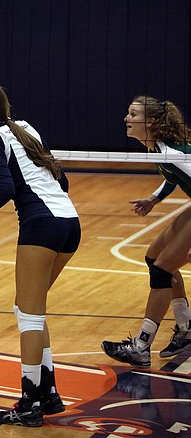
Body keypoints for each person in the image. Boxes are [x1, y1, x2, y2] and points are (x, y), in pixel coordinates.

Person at [0, 79, 80, 428]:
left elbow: (6, 188)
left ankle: (29, 403)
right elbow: (61, 179)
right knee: (29, 309)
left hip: (43, 225)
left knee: (29, 316)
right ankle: (48, 395)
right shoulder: (25, 127)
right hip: (70, 222)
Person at [102, 96, 191, 367]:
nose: (126, 119)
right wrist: (153, 199)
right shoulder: (158, 149)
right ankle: (186, 328)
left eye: (133, 114)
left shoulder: (170, 153)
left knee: (163, 269)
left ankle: (141, 346)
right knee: (154, 258)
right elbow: (172, 177)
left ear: (150, 122)